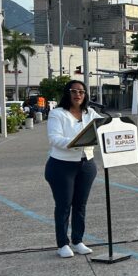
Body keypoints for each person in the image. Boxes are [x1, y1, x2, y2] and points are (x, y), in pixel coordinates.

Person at [44, 81, 102, 258]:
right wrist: (77, 143)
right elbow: (54, 138)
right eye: (74, 91)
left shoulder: (90, 113)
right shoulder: (57, 113)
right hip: (61, 166)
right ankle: (62, 244)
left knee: (80, 205)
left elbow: (104, 126)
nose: (78, 95)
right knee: (64, 206)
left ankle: (78, 241)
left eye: (82, 92)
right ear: (67, 93)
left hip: (87, 165)